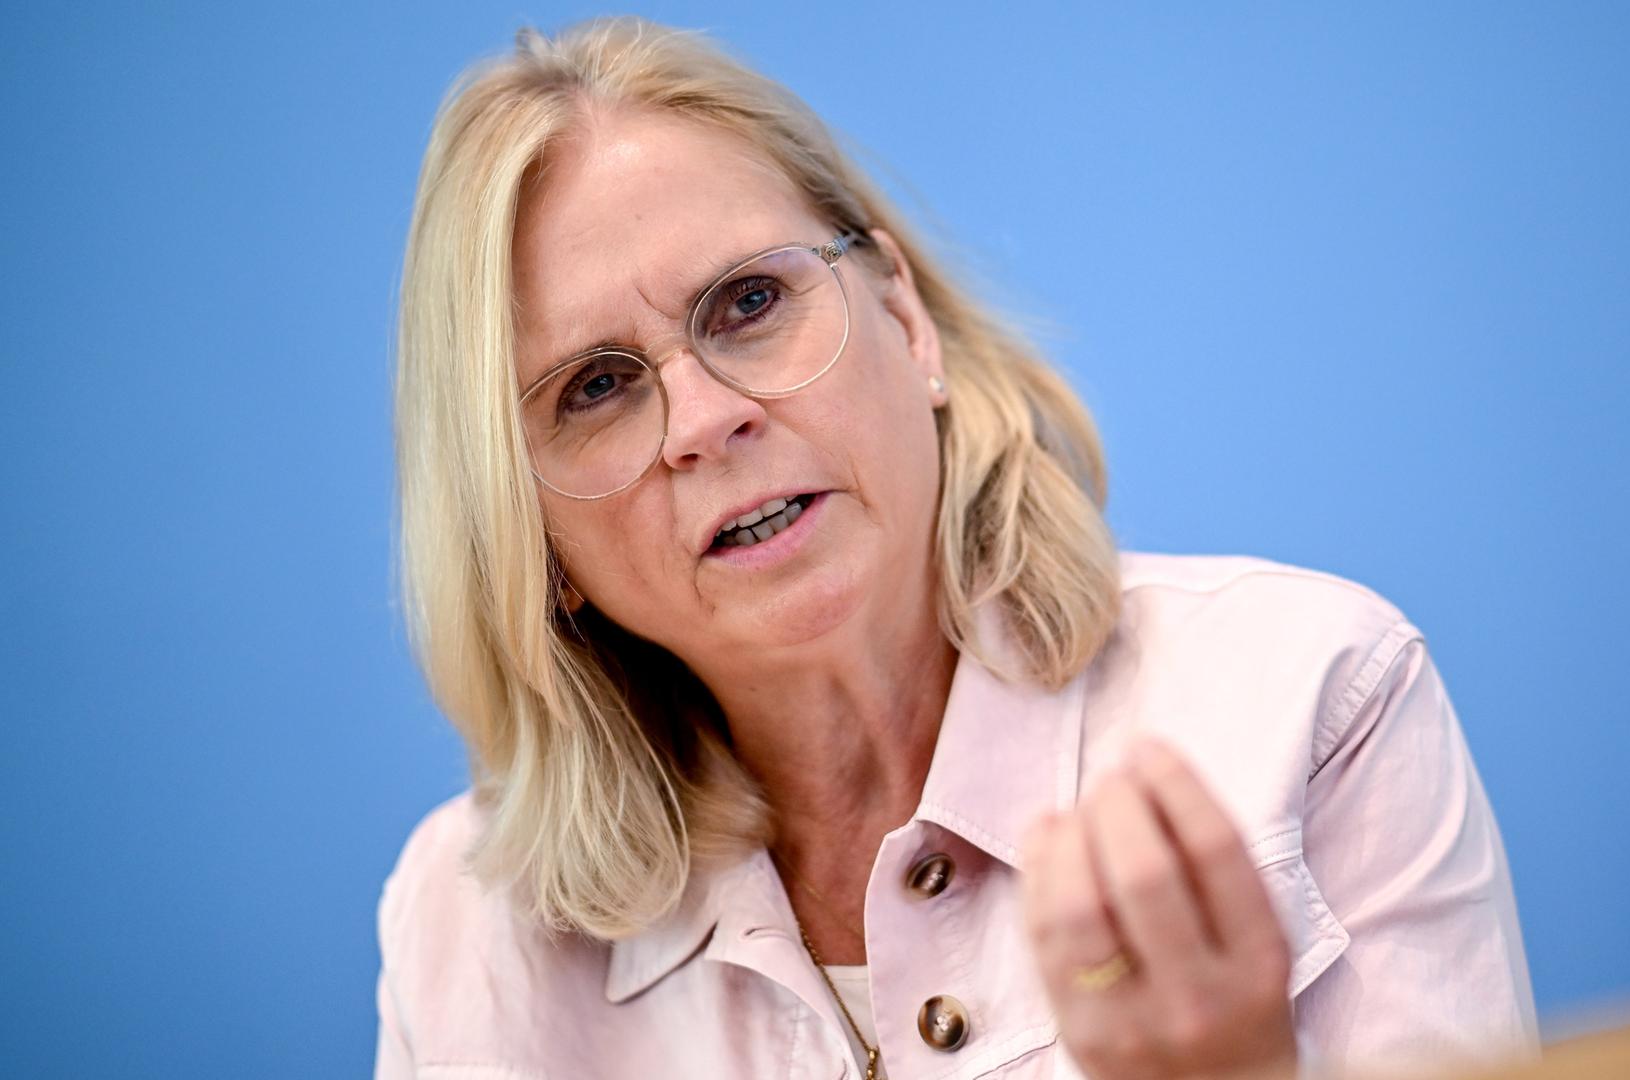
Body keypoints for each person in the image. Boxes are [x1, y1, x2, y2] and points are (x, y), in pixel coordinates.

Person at [376, 16, 1538, 1080]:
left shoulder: (1309, 699)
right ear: (537, 541)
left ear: (908, 322)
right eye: (596, 386)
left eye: (746, 304)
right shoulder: (468, 929)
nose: (702, 419)